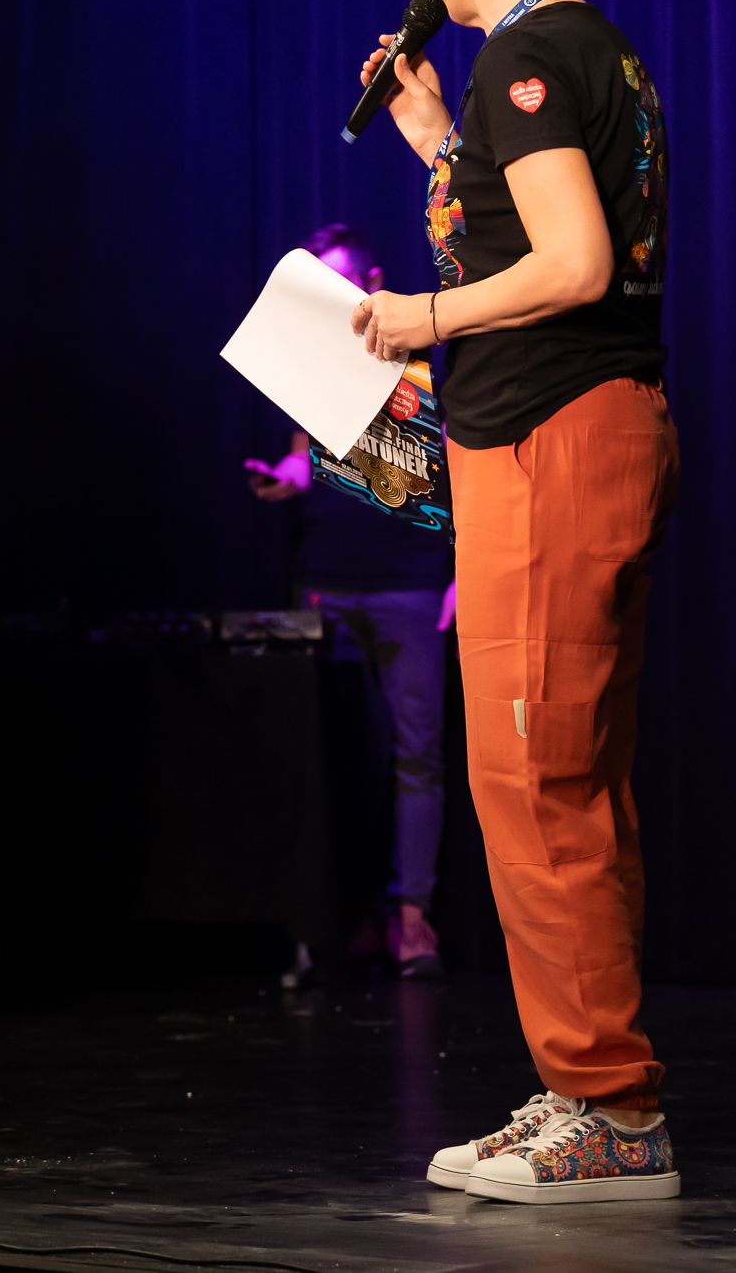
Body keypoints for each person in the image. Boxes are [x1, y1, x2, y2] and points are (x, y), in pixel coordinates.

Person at [348, 0, 680, 1203]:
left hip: (552, 446)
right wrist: (437, 137)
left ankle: (607, 1107)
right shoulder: (571, 47)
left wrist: (417, 318)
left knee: (534, 777)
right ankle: (586, 1087)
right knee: (565, 776)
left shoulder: (530, 55)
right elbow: (529, 226)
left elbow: (574, 263)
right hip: (563, 441)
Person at [243, 224, 454, 978]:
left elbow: (459, 468)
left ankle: (411, 916)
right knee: (328, 754)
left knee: (416, 755)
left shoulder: (421, 354)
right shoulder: (311, 362)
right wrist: (285, 478)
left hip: (410, 584)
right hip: (326, 582)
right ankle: (333, 916)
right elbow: (309, 460)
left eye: (339, 283)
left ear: (370, 280)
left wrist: (460, 576)